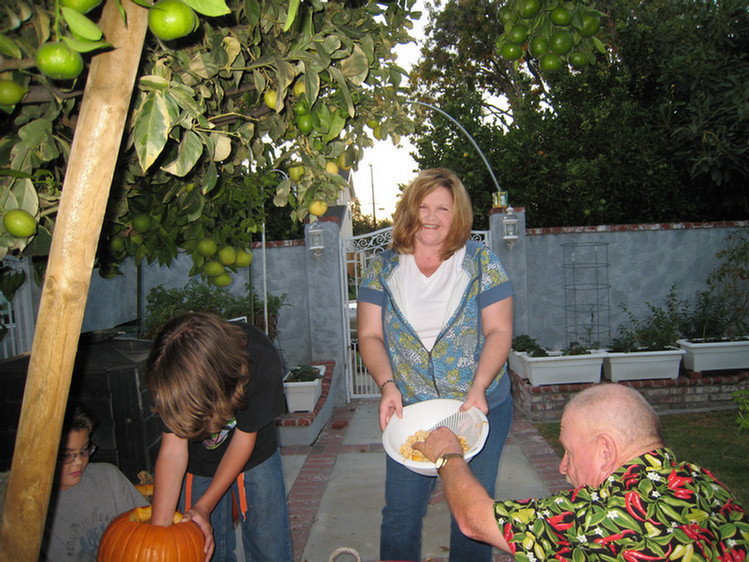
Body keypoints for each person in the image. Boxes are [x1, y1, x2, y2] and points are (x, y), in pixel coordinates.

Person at [357, 168, 514, 562]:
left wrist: (478, 387)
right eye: (423, 206)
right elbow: (370, 336)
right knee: (400, 516)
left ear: (457, 213)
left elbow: (498, 331)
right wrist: (387, 384)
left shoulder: (482, 263)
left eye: (442, 208)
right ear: (409, 210)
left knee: (472, 518)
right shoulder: (382, 267)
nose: (431, 216)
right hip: (414, 414)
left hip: (475, 409)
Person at [413, 383, 749, 561]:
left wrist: (447, 453)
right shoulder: (705, 481)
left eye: (569, 452)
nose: (562, 467)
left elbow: (474, 520)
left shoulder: (603, 514)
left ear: (605, 450)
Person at [145, 312, 292, 562]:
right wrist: (159, 536)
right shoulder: (168, 373)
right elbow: (172, 451)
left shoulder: (261, 359)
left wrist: (204, 505)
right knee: (199, 547)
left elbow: (245, 439)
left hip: (254, 453)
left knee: (269, 545)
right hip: (197, 460)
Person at [41, 405, 149, 562]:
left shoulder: (108, 476)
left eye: (84, 450)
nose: (78, 462)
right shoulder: (37, 506)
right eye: (67, 455)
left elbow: (146, 528)